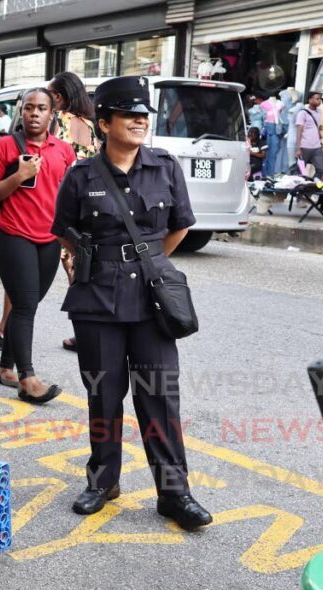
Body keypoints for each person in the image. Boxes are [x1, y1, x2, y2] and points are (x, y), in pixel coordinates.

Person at [51, 75, 213, 530]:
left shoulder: (165, 166)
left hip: (151, 302)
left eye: (144, 114)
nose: (140, 120)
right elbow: (61, 227)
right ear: (104, 122)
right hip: (96, 300)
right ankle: (103, 481)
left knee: (159, 397)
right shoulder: (81, 175)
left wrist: (148, 263)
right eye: (129, 114)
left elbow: (179, 225)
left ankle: (174, 493)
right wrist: (97, 259)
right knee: (103, 395)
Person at [0, 88, 73, 404]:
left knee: (26, 306)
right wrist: (19, 176)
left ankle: (5, 368)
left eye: (41, 108)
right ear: (22, 112)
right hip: (13, 236)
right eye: (29, 108)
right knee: (25, 306)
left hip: (49, 240)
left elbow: (65, 196)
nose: (34, 113)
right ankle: (27, 378)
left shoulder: (63, 151)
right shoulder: (3, 148)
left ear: (51, 114)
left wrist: (70, 238)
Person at [49, 71, 99, 353]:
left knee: (72, 271)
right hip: (88, 204)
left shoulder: (60, 122)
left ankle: (86, 333)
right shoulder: (89, 125)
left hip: (63, 202)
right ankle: (88, 332)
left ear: (58, 97)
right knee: (80, 269)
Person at [296, 91, 323, 176]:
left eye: (320, 99)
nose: (319, 101)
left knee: (321, 169)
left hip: (317, 147)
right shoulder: (302, 113)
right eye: (317, 99)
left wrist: (319, 133)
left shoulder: (319, 112)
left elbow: (317, 126)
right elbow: (299, 131)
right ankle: (300, 187)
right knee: (301, 171)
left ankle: (315, 184)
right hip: (304, 147)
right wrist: (298, 148)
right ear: (310, 100)